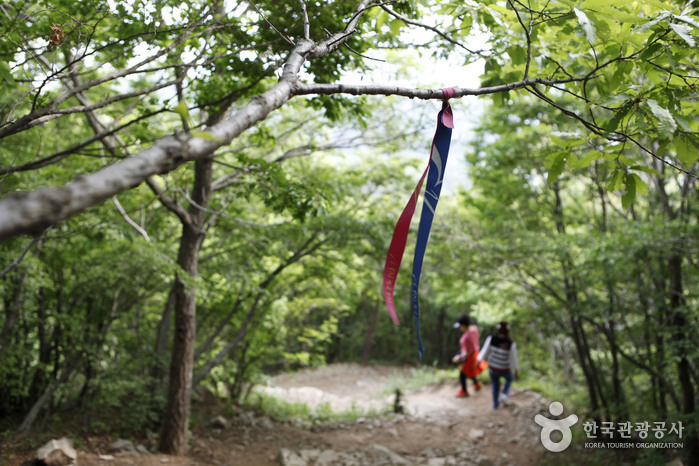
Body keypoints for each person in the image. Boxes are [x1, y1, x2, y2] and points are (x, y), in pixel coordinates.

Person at [477, 321, 519, 409]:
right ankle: (504, 394)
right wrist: (516, 370)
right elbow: (514, 358)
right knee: (510, 378)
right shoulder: (510, 344)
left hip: (493, 368)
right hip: (505, 369)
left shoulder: (491, 339)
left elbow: (484, 351)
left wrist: (478, 361)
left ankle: (495, 405)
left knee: (495, 385)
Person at [451, 314, 484, 397]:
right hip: (476, 354)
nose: (460, 328)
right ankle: (477, 383)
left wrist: (458, 357)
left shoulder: (465, 338)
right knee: (471, 372)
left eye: (460, 326)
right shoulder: (475, 328)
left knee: (463, 374)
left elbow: (465, 353)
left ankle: (464, 391)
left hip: (469, 357)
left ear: (463, 325)